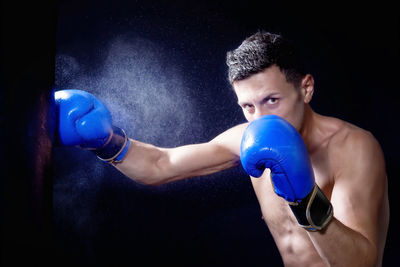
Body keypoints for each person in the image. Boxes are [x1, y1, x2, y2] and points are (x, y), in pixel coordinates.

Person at [55, 31, 389, 266]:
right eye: (248, 106)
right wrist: (105, 142)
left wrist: (304, 199)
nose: (259, 118)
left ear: (306, 88)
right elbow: (160, 165)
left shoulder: (354, 148)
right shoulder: (249, 137)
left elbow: (359, 263)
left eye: (271, 100)